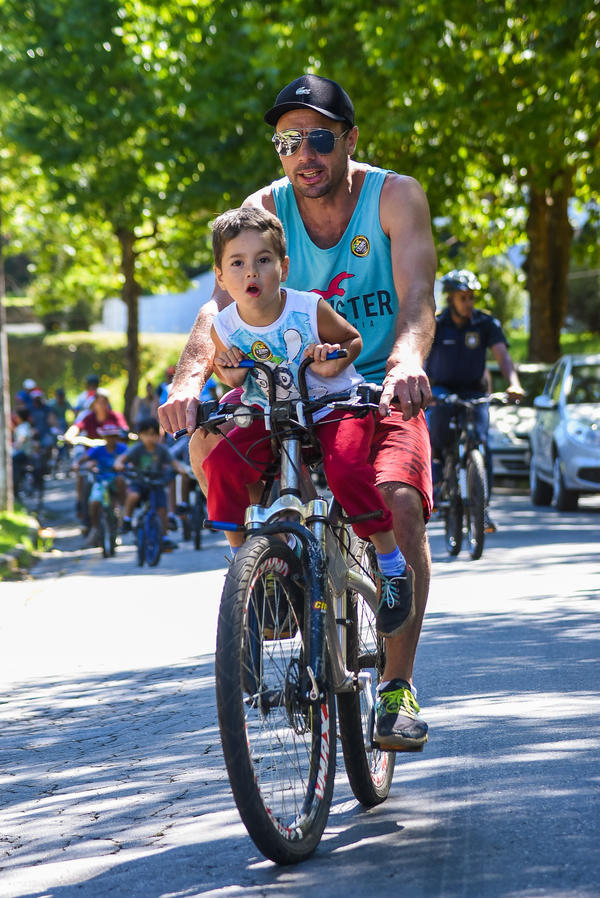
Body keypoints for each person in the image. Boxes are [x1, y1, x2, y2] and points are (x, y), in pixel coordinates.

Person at [158, 74, 437, 752]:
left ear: (349, 138)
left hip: (372, 388)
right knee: (209, 444)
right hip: (284, 392)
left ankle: (396, 690)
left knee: (395, 501)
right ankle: (268, 577)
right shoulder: (266, 208)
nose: (303, 154)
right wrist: (187, 381)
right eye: (288, 141)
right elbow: (214, 313)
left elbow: (418, 294)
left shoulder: (394, 197)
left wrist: (404, 361)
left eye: (318, 138)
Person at [205, 206, 414, 636]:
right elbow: (231, 375)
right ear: (221, 277)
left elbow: (352, 339)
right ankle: (247, 571)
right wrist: (228, 369)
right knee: (220, 463)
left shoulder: (307, 308)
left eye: (264, 260)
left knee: (345, 467)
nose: (252, 272)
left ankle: (392, 566)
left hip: (330, 403)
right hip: (271, 410)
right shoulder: (223, 325)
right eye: (237, 263)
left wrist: (331, 359)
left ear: (283, 267)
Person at [425, 269, 524, 531]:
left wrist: (513, 383)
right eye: (462, 298)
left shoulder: (485, 324)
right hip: (442, 390)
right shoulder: (436, 323)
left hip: (475, 391)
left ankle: (483, 509)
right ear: (450, 298)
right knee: (437, 437)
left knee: (482, 443)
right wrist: (424, 388)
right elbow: (422, 357)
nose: (468, 303)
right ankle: (437, 485)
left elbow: (502, 356)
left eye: (471, 297)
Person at [114, 417, 187, 549]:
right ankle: (127, 520)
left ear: (158, 435)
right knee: (133, 496)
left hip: (156, 483)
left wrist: (181, 469)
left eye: (153, 434)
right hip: (139, 482)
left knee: (162, 510)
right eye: (146, 434)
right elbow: (122, 459)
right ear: (140, 435)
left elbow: (174, 463)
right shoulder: (137, 449)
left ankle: (164, 537)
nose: (150, 438)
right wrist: (119, 464)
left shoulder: (162, 449)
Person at [75, 423, 128, 547]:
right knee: (93, 504)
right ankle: (95, 528)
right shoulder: (98, 449)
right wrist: (77, 464)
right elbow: (84, 458)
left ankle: (122, 508)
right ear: (104, 437)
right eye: (108, 436)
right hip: (100, 481)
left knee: (120, 480)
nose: (111, 439)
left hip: (115, 481)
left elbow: (130, 459)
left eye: (113, 436)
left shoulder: (123, 448)